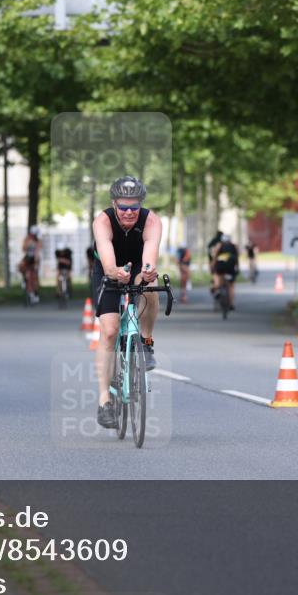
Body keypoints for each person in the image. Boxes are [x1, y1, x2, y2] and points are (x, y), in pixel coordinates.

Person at [91, 175, 162, 429]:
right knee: (109, 331)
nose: (129, 212)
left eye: (134, 206)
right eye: (123, 207)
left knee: (151, 287)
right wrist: (114, 272)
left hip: (137, 267)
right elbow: (108, 259)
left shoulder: (151, 220)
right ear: (114, 203)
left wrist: (147, 272)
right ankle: (104, 401)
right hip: (108, 271)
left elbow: (150, 254)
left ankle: (146, 341)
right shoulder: (103, 221)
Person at [212, 233, 240, 310]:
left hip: (221, 265)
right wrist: (237, 267)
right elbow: (237, 258)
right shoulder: (234, 246)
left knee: (218, 280)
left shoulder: (219, 245)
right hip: (231, 266)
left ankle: (218, 291)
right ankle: (231, 304)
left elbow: (215, 257)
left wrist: (213, 266)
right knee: (231, 286)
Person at [20, 226, 41, 304]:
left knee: (34, 275)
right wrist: (27, 245)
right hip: (28, 257)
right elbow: (23, 249)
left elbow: (37, 252)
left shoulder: (38, 241)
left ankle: (34, 292)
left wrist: (36, 263)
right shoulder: (27, 239)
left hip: (35, 258)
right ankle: (24, 279)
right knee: (21, 265)